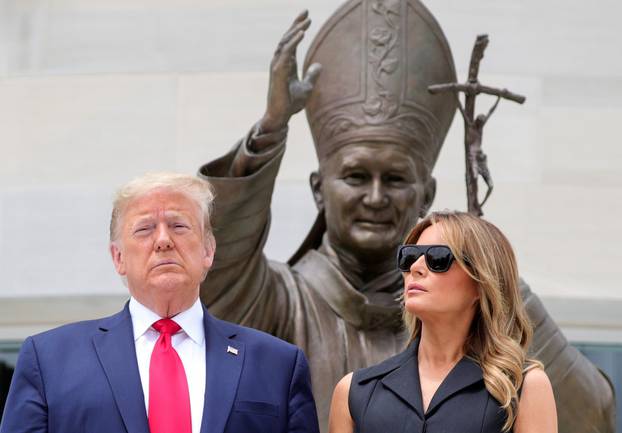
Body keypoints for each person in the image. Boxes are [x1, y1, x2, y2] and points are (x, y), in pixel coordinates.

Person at [198, 3, 614, 433]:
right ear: (319, 188)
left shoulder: (485, 335)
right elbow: (215, 266)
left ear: (426, 193)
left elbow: (592, 415)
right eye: (356, 176)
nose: (375, 197)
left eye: (395, 179)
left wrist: (494, 277)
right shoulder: (280, 301)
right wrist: (270, 129)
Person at [0, 173, 319, 433]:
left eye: (179, 226)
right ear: (118, 257)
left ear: (208, 251)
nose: (164, 240)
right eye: (144, 229)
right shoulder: (50, 362)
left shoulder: (278, 365)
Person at [329, 211, 557, 433]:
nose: (416, 268)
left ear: (481, 282)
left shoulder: (524, 387)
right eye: (408, 257)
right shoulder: (355, 391)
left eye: (438, 258)